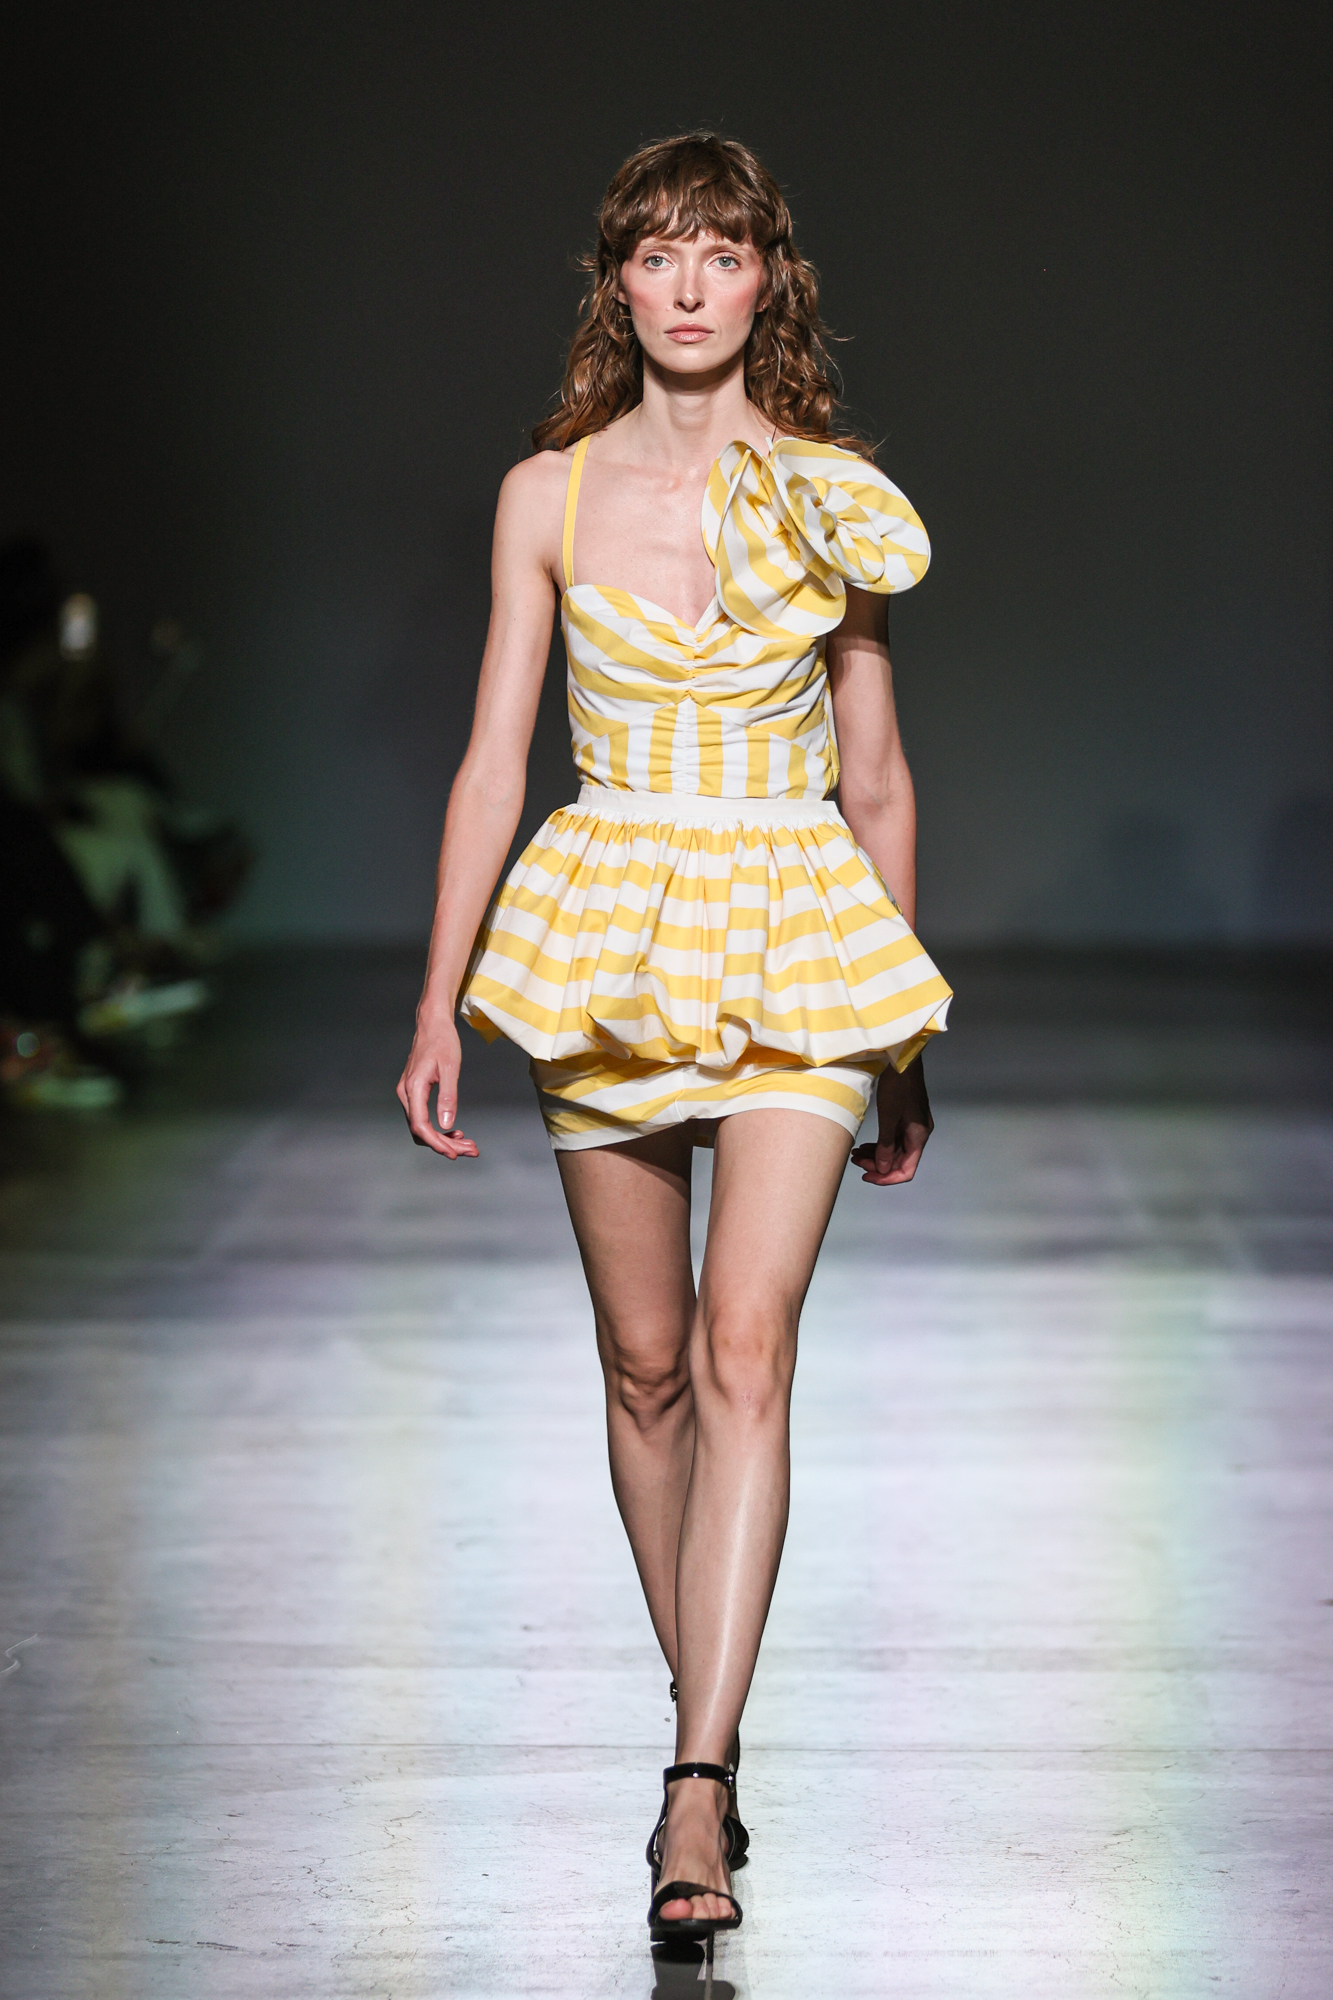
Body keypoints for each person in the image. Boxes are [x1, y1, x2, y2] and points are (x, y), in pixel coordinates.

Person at [398, 132, 951, 1947]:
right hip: (609, 933)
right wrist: (436, 997)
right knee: (643, 1369)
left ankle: (695, 1783)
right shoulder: (543, 499)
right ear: (616, 282)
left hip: (794, 929)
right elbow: (493, 760)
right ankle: (701, 1712)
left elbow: (875, 774)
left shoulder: (834, 501)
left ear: (768, 277)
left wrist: (900, 1034)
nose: (691, 284)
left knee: (740, 1345)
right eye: (659, 253)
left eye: (723, 251)